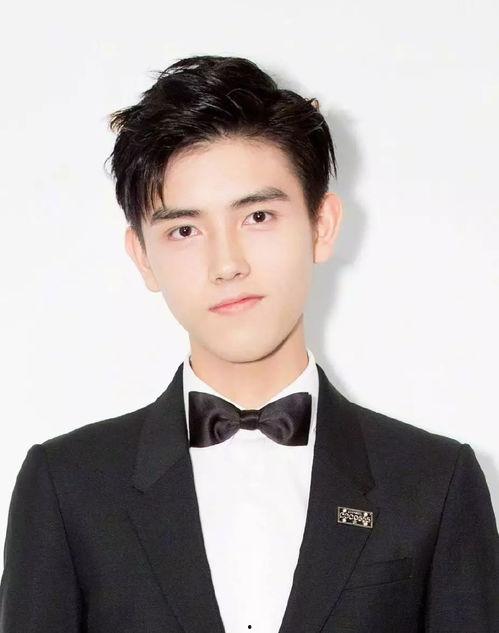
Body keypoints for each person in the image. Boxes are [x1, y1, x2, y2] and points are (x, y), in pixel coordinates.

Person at [0, 55, 497, 633]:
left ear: (322, 224)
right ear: (143, 257)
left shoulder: (434, 482)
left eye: (258, 216)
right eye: (185, 230)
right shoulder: (67, 486)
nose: (227, 263)